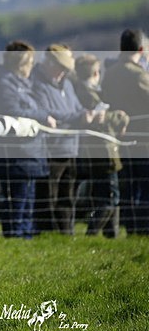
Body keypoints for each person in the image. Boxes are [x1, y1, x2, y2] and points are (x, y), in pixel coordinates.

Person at [0, 41, 55, 238]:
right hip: (15, 153)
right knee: (17, 198)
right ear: (21, 63)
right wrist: (41, 116)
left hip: (29, 151)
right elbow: (10, 110)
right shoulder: (3, 84)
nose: (32, 67)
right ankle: (16, 235)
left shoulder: (24, 83)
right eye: (30, 62)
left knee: (27, 197)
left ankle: (26, 233)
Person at [32, 44, 100, 235]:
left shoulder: (68, 85)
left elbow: (76, 108)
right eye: (60, 68)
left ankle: (66, 233)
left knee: (67, 195)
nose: (63, 73)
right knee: (49, 195)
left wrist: (88, 115)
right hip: (52, 150)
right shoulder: (37, 84)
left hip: (71, 148)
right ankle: (48, 233)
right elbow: (47, 111)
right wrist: (78, 118)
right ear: (50, 63)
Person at [72, 53, 129, 237]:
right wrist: (119, 116)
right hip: (103, 151)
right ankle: (93, 233)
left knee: (105, 194)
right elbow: (102, 119)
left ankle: (112, 233)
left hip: (96, 152)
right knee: (111, 196)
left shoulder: (79, 91)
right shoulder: (90, 95)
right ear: (96, 73)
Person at [101, 29, 149, 235]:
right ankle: (142, 227)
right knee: (144, 185)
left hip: (118, 137)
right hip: (142, 137)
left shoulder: (110, 72)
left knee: (128, 185)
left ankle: (131, 226)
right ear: (141, 48)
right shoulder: (138, 74)